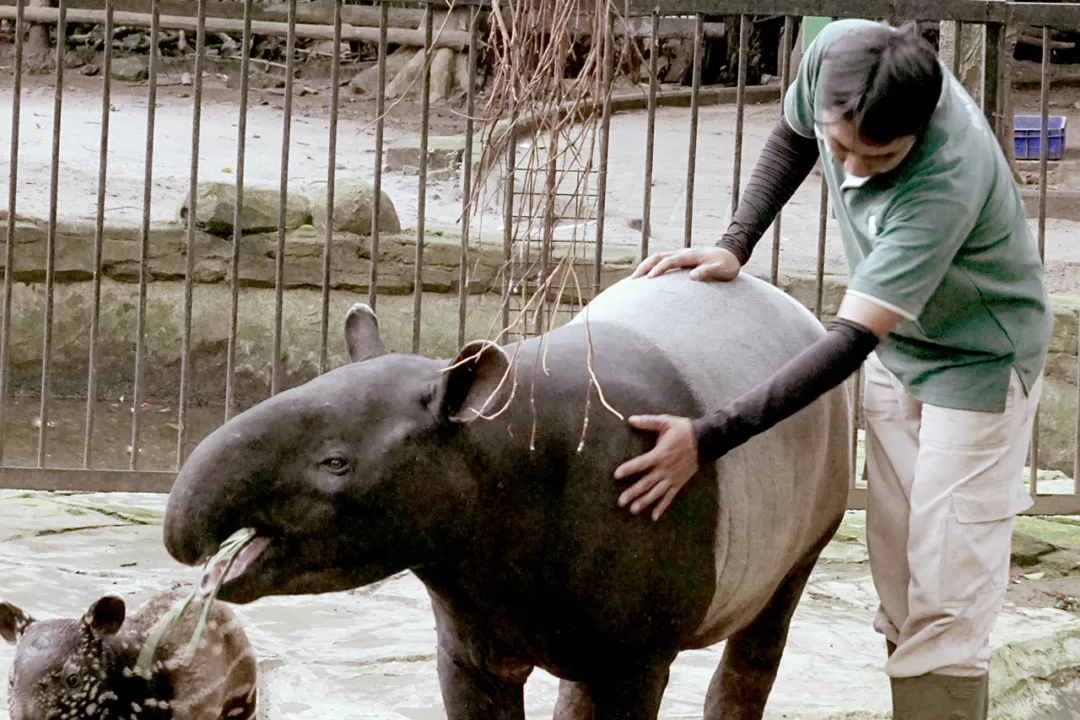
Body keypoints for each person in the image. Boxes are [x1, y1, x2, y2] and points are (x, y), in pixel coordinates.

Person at [612, 18, 1053, 720]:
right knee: (903, 584)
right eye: (840, 146)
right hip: (901, 348)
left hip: (977, 363)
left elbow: (847, 341)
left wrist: (707, 437)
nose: (849, 172)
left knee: (946, 600)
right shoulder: (836, 54)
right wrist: (736, 243)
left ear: (917, 134)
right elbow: (792, 133)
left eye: (877, 160)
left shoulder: (945, 179)